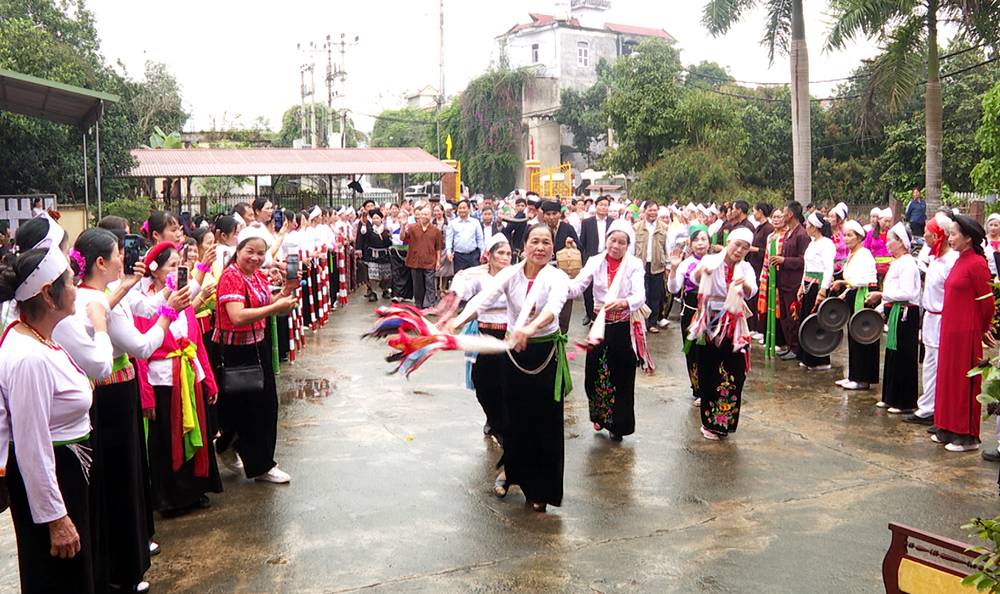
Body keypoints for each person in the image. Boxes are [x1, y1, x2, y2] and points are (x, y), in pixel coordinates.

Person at [0, 245, 97, 593]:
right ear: (47, 294)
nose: (76, 288)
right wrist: (56, 518)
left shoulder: (39, 339)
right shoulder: (28, 357)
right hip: (55, 475)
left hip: (67, 470)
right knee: (58, 577)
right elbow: (30, 444)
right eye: (71, 281)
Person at [478, 224, 571, 512]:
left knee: (544, 422)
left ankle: (540, 488)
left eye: (546, 242)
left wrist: (527, 329)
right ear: (525, 247)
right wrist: (452, 319)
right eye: (535, 242)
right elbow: (483, 302)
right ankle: (510, 471)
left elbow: (553, 309)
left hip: (544, 353)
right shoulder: (511, 275)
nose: (540, 247)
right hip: (514, 354)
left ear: (552, 249)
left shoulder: (557, 277)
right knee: (514, 417)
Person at [132, 243, 223, 515]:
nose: (177, 270)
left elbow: (196, 342)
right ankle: (170, 499)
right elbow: (140, 355)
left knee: (198, 433)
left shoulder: (181, 299)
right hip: (163, 380)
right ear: (154, 270)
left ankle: (194, 492)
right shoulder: (144, 303)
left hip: (190, 373)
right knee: (167, 440)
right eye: (171, 265)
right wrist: (146, 395)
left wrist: (209, 381)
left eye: (179, 264)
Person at [213, 237, 299, 481]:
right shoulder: (231, 276)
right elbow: (237, 316)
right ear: (237, 251)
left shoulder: (257, 276)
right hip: (233, 351)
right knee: (239, 408)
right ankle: (229, 445)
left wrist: (285, 292)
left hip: (257, 347)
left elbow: (267, 301)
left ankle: (260, 464)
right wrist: (273, 309)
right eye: (250, 252)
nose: (255, 258)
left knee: (265, 407)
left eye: (261, 253)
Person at [567, 219, 648, 440]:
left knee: (621, 376)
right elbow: (578, 285)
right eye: (613, 240)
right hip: (599, 327)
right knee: (595, 374)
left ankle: (618, 425)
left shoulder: (634, 264)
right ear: (607, 240)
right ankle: (600, 417)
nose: (616, 246)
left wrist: (624, 303)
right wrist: (559, 285)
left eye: (622, 242)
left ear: (627, 245)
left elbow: (640, 295)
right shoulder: (595, 261)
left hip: (622, 327)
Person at [933, 215, 995, 452]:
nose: (950, 238)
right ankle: (946, 426)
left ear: (968, 238)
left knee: (964, 382)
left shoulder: (977, 263)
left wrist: (982, 328)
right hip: (950, 331)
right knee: (948, 379)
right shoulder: (959, 260)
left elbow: (987, 303)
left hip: (966, 332)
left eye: (954, 233)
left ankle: (966, 435)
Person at [688, 228, 757, 440]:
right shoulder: (710, 260)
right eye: (737, 244)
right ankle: (709, 423)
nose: (740, 250)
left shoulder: (745, 267)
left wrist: (741, 283)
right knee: (709, 370)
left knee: (734, 373)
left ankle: (725, 422)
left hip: (734, 324)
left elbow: (751, 290)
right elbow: (694, 278)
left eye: (745, 247)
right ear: (728, 242)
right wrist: (704, 270)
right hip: (709, 321)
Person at [448, 234, 513, 445]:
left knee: (506, 382)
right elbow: (462, 293)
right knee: (482, 380)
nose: (505, 258)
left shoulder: (514, 277)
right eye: (500, 253)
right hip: (484, 333)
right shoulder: (480, 278)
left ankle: (502, 424)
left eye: (509, 254)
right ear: (490, 256)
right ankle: (492, 417)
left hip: (508, 335)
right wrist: (460, 281)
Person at [904, 216, 956, 428]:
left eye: (926, 231)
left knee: (940, 368)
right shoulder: (934, 259)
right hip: (930, 318)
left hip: (942, 318)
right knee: (930, 365)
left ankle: (939, 411)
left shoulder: (951, 261)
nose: (922, 234)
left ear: (935, 235)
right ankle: (927, 408)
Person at [867, 223, 921, 413]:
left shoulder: (907, 263)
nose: (887, 244)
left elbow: (906, 292)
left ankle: (904, 401)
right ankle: (890, 397)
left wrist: (881, 295)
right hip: (896, 311)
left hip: (905, 313)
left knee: (904, 356)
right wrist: (880, 309)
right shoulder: (897, 262)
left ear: (900, 242)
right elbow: (892, 293)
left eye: (890, 240)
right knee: (892, 354)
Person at [831, 221, 878, 390]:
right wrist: (845, 291)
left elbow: (863, 280)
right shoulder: (853, 254)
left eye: (850, 235)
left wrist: (844, 283)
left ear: (859, 238)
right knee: (853, 335)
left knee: (863, 336)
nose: (847, 238)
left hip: (865, 298)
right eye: (845, 235)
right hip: (854, 293)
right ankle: (853, 374)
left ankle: (863, 378)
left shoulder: (864, 254)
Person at [669, 224, 711, 404]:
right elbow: (673, 288)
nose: (700, 243)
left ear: (709, 242)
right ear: (690, 243)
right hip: (691, 314)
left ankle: (712, 387)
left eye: (704, 239)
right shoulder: (685, 264)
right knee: (693, 352)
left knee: (711, 351)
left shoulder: (717, 261)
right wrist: (673, 268)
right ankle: (699, 390)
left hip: (713, 314)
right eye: (696, 240)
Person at [797, 212, 836, 370]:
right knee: (806, 321)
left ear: (814, 227)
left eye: (808, 224)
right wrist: (801, 285)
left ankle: (820, 359)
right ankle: (807, 357)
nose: (806, 227)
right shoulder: (812, 243)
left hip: (818, 285)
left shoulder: (826, 244)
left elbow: (828, 268)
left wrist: (823, 290)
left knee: (817, 322)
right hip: (808, 285)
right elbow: (806, 268)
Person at [772, 201, 810, 361]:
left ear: (791, 214)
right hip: (784, 282)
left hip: (794, 283)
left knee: (793, 318)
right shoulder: (788, 233)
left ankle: (795, 348)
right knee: (785, 318)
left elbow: (803, 261)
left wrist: (784, 260)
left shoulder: (801, 234)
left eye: (784, 212)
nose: (781, 215)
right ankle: (789, 346)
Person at [633, 201, 668, 334]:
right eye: (650, 210)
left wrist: (668, 266)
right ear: (645, 211)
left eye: (655, 210)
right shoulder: (637, 227)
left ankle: (652, 323)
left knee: (655, 295)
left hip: (657, 266)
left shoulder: (664, 228)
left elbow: (667, 247)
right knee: (642, 295)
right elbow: (633, 247)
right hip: (641, 265)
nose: (653, 213)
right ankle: (642, 322)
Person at [401, 206, 443, 309]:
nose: (423, 216)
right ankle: (419, 304)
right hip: (415, 260)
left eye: (426, 214)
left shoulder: (435, 231)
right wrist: (402, 226)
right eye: (421, 214)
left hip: (429, 261)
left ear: (431, 216)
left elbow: (438, 247)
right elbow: (402, 237)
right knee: (417, 284)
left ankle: (429, 304)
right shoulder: (413, 228)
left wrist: (438, 261)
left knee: (430, 283)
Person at [579, 196, 613, 325]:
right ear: (596, 206)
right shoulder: (587, 223)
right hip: (592, 257)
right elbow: (582, 242)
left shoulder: (612, 222)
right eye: (601, 205)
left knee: (605, 286)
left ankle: (604, 313)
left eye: (606, 205)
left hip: (607, 259)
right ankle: (589, 314)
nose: (603, 207)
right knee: (588, 288)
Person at [746, 202, 774, 339]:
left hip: (761, 266)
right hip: (754, 265)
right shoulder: (759, 228)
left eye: (754, 211)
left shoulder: (768, 228)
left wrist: (755, 249)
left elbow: (769, 251)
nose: (753, 214)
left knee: (760, 298)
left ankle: (761, 329)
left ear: (760, 211)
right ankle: (755, 327)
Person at [357, 209, 392, 302]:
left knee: (386, 275)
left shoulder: (386, 230)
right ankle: (373, 292)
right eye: (374, 218)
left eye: (377, 218)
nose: (376, 220)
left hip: (384, 255)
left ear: (381, 219)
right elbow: (363, 232)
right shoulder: (369, 230)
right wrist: (364, 224)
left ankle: (385, 290)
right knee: (373, 275)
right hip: (372, 255)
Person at [445, 199, 485, 274]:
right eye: (460, 208)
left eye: (464, 208)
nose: (462, 210)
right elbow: (449, 239)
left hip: (473, 255)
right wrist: (448, 252)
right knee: (460, 279)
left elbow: (480, 238)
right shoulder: (453, 223)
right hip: (459, 256)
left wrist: (482, 252)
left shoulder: (475, 222)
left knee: (474, 277)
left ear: (469, 209)